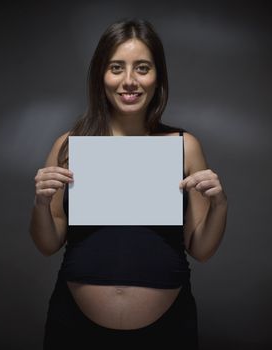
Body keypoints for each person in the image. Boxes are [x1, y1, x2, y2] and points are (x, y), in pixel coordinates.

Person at [29, 18, 227, 349]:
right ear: (100, 75)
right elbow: (47, 244)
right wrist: (39, 202)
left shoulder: (184, 145)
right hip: (74, 328)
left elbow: (201, 249)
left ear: (157, 76)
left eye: (143, 68)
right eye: (116, 67)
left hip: (168, 330)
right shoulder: (70, 144)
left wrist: (220, 203)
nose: (130, 81)